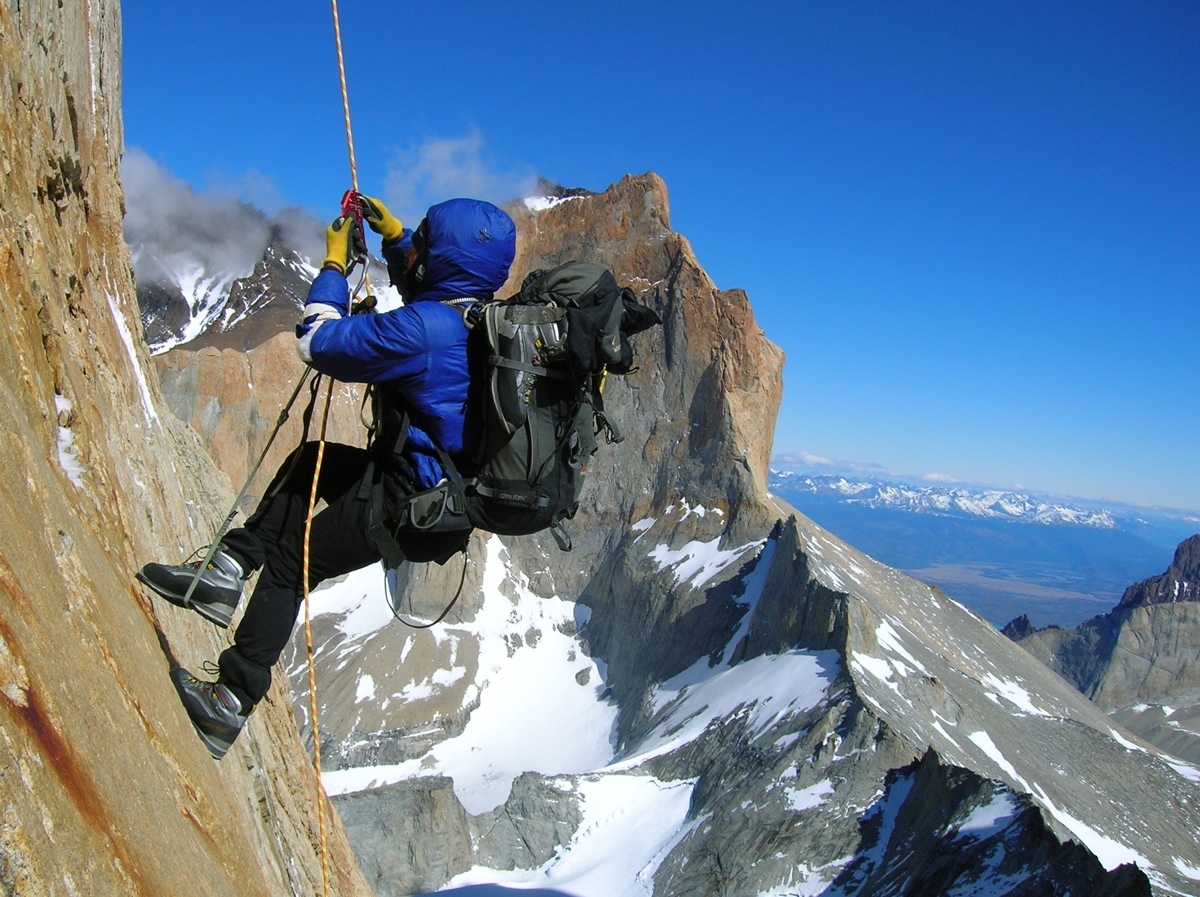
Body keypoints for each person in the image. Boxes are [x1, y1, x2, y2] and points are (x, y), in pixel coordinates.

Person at [138, 194, 517, 759]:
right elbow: (431, 288)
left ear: (443, 255)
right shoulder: (481, 320)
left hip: (406, 501)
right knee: (311, 460)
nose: (421, 252)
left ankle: (229, 701)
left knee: (293, 564)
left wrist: (335, 267)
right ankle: (226, 569)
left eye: (426, 244)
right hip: (433, 493)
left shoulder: (426, 331)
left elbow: (316, 342)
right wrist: (394, 238)